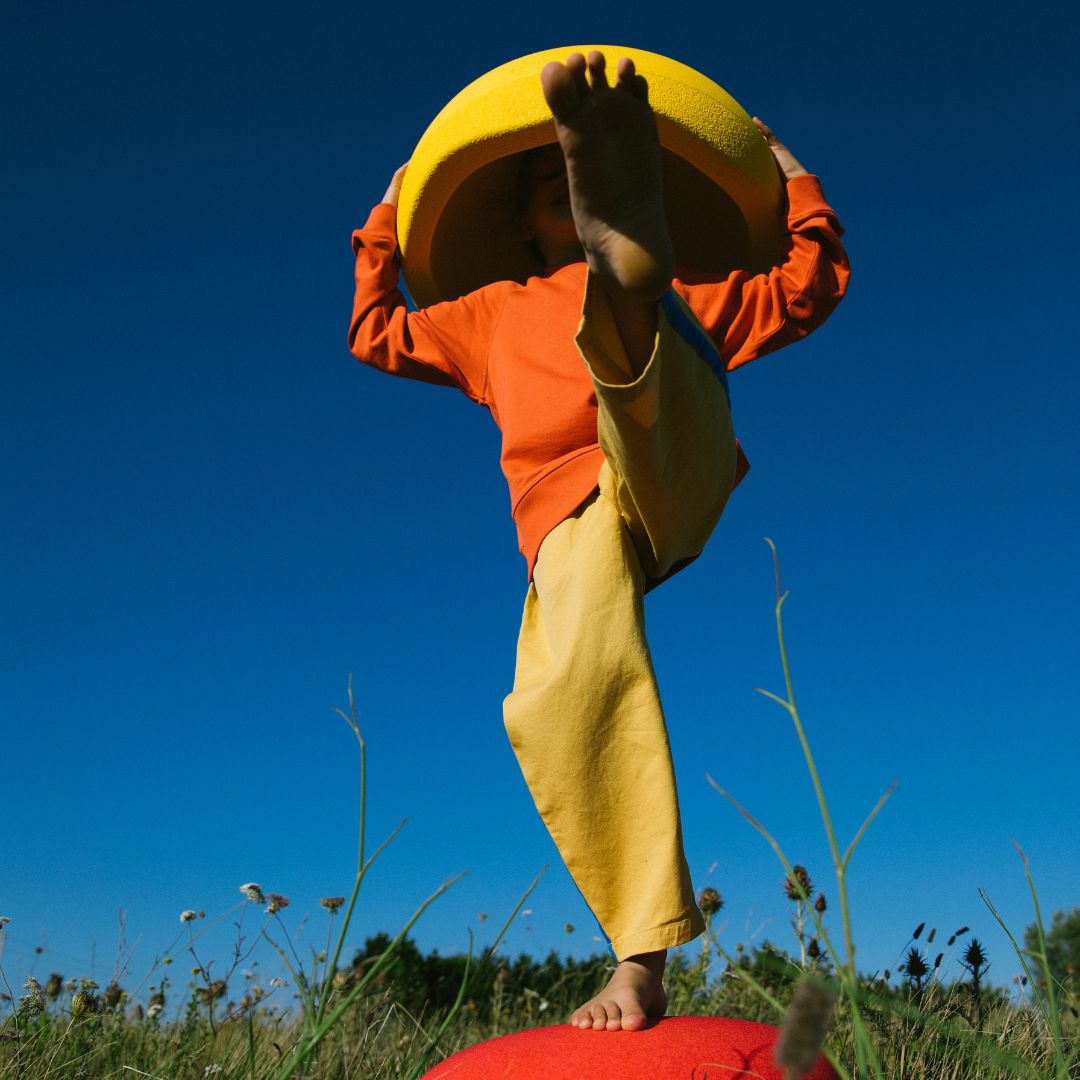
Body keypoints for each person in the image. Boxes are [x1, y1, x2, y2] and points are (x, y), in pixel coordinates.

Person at [348, 50, 849, 1032]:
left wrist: (792, 173)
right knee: (560, 696)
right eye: (554, 193)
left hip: (670, 441)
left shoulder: (699, 294)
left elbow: (811, 281)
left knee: (634, 325)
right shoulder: (488, 316)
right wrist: (387, 213)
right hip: (575, 516)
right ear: (525, 228)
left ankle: (626, 274)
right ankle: (639, 959)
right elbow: (375, 332)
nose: (559, 199)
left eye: (574, 180)